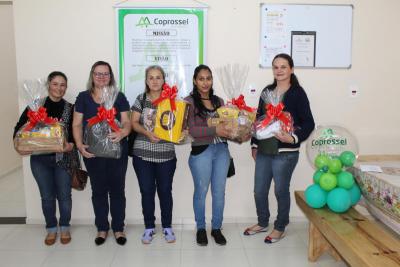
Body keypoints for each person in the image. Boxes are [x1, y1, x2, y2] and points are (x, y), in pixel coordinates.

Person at [244, 53, 315, 243]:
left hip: (285, 152)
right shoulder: (267, 91)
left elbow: (308, 123)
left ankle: (280, 226)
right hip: (264, 150)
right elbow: (258, 119)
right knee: (259, 190)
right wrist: (254, 143)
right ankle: (262, 222)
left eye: (283, 67)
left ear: (291, 69)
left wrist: (292, 138)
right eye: (276, 67)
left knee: (280, 190)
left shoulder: (297, 93)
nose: (279, 70)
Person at [13, 71, 75, 246]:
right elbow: (19, 129)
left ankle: (64, 227)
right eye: (55, 84)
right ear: (48, 85)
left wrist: (71, 145)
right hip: (40, 161)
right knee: (47, 197)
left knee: (64, 196)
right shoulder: (35, 106)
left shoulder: (70, 108)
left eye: (63, 85)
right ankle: (51, 229)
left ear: (66, 88)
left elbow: (75, 133)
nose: (59, 88)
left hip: (62, 159)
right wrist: (19, 146)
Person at [72, 61, 131, 246]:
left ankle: (119, 228)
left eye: (105, 74)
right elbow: (76, 124)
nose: (102, 77)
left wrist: (122, 132)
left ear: (110, 76)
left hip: (117, 153)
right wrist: (80, 145)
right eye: (98, 74)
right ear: (92, 76)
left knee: (117, 191)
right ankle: (102, 228)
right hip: (93, 154)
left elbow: (127, 122)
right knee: (98, 191)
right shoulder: (83, 97)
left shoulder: (119, 96)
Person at [185, 64, 233, 246]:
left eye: (208, 78)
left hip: (222, 150)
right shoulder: (188, 101)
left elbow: (226, 127)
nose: (205, 82)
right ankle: (200, 229)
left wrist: (237, 127)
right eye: (201, 79)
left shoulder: (219, 101)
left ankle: (216, 228)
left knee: (219, 192)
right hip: (201, 152)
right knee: (201, 191)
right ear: (195, 81)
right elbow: (192, 130)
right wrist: (216, 130)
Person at [130, 65, 177, 244]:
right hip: (142, 155)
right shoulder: (141, 99)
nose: (155, 81)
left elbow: (178, 124)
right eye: (151, 77)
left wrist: (181, 132)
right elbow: (134, 123)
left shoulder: (172, 100)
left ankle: (167, 227)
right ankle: (149, 227)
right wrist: (148, 133)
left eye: (158, 77)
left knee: (165, 191)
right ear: (146, 81)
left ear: (164, 80)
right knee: (147, 191)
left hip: (166, 155)